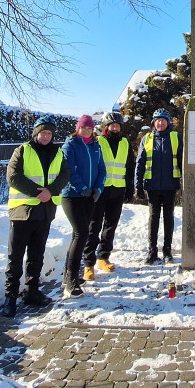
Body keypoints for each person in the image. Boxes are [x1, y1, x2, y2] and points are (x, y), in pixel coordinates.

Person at [0, 115, 70, 317]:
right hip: (23, 211)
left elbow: (65, 174)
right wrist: (39, 192)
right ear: (36, 133)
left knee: (37, 254)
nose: (46, 136)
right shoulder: (22, 150)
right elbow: (12, 176)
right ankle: (10, 297)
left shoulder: (58, 152)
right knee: (16, 256)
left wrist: (51, 190)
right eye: (43, 132)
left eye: (49, 133)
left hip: (45, 212)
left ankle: (32, 291)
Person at [59, 114, 106, 298]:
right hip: (72, 196)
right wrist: (82, 188)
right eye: (83, 127)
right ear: (78, 128)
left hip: (90, 196)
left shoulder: (96, 146)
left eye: (89, 128)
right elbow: (69, 170)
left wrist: (98, 189)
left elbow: (102, 170)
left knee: (78, 234)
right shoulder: (70, 145)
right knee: (81, 234)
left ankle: (68, 274)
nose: (87, 130)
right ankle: (71, 280)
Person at [82, 111, 133, 280]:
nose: (115, 127)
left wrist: (130, 188)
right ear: (106, 126)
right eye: (112, 125)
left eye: (118, 125)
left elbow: (130, 166)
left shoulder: (125, 142)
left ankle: (104, 257)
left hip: (117, 189)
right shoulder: (98, 141)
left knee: (110, 226)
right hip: (100, 190)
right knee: (94, 226)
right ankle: (88, 263)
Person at [135, 108, 182, 264]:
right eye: (157, 120)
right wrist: (138, 185)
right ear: (153, 123)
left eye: (163, 120)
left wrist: (186, 181)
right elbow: (140, 162)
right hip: (152, 185)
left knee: (168, 218)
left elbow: (182, 161)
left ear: (168, 122)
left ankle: (167, 249)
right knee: (153, 218)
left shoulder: (175, 137)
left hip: (170, 185)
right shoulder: (146, 138)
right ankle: (152, 250)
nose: (160, 123)